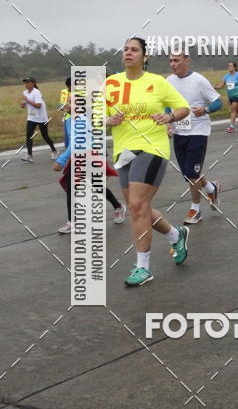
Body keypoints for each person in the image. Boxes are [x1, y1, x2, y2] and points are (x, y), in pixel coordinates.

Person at [104, 37, 191, 287]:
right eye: (126, 49)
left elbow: (183, 108)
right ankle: (176, 235)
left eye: (134, 50)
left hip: (152, 148)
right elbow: (96, 117)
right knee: (136, 207)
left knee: (138, 206)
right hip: (123, 152)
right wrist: (107, 121)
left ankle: (143, 267)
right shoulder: (111, 84)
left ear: (145, 56)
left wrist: (169, 116)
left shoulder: (157, 83)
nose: (128, 53)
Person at [52, 98, 126, 233]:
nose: (67, 103)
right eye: (67, 101)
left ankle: (118, 207)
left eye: (71, 102)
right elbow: (71, 142)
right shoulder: (69, 120)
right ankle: (72, 221)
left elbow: (77, 142)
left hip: (89, 157)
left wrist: (61, 160)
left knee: (97, 187)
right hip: (77, 158)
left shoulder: (85, 121)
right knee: (71, 188)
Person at [167, 52, 223, 225]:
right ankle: (211, 188)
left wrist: (205, 110)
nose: (172, 64)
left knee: (192, 173)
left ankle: (195, 209)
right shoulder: (169, 81)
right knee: (188, 174)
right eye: (170, 61)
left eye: (176, 60)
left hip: (198, 131)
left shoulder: (199, 80)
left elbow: (218, 102)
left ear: (187, 61)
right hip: (179, 132)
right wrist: (168, 122)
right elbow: (167, 105)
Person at [20, 77, 57, 162]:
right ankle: (30, 155)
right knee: (29, 136)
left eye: (28, 82)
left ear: (33, 83)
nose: (26, 84)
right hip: (31, 117)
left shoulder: (37, 92)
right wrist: (23, 104)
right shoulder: (25, 92)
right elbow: (26, 103)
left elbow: (38, 105)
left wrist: (28, 101)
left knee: (45, 136)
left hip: (41, 117)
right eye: (25, 83)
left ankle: (54, 151)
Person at [215, 61, 238, 133]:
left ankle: (231, 127)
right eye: (229, 66)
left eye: (231, 66)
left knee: (233, 109)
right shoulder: (226, 76)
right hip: (230, 96)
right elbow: (221, 85)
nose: (230, 67)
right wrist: (214, 87)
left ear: (235, 67)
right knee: (237, 110)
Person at [59, 76, 72, 148]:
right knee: (68, 135)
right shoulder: (64, 92)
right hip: (68, 117)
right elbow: (61, 106)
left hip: (78, 117)